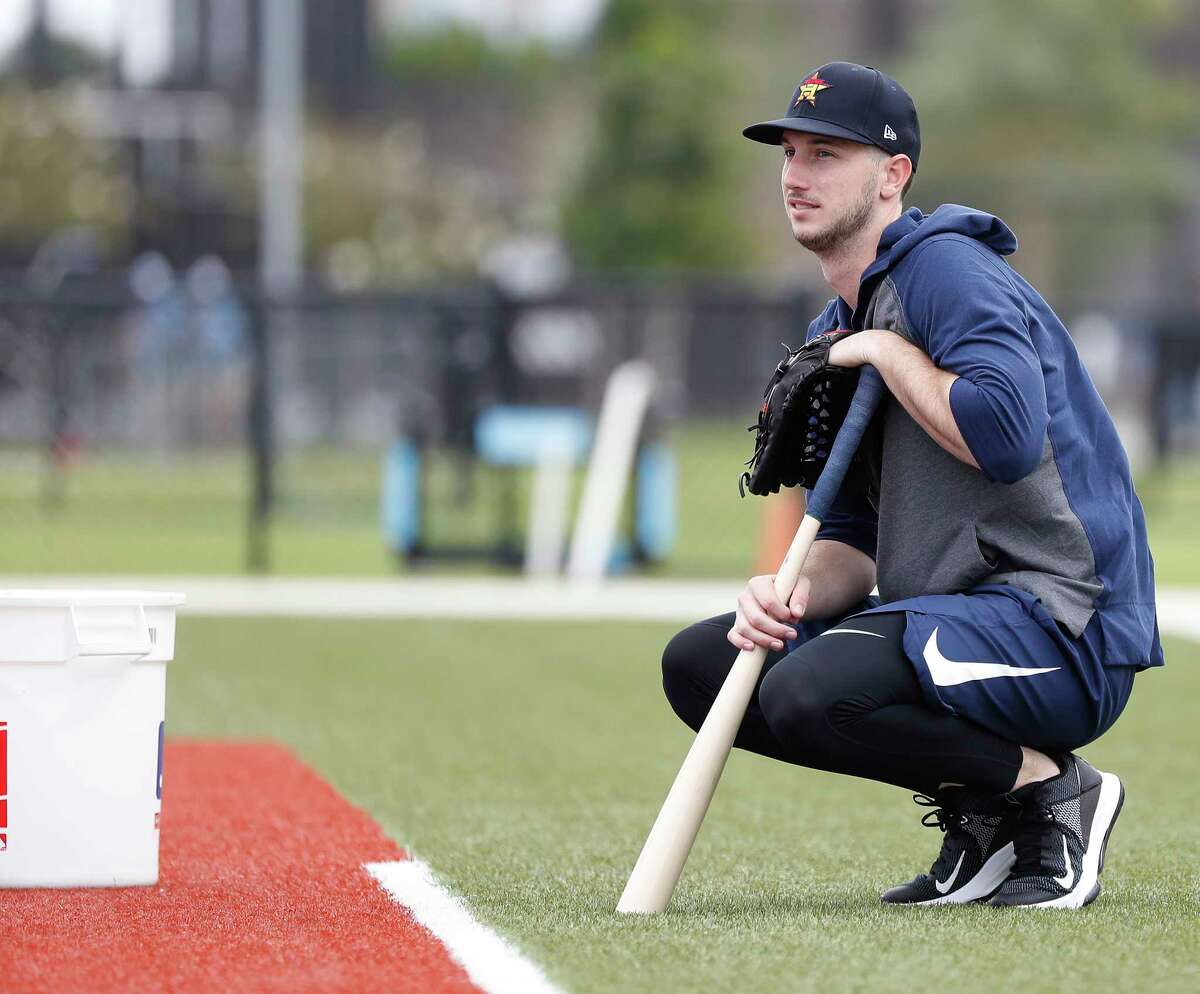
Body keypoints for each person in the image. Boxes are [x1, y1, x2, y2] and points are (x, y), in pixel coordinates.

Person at [661, 61, 1163, 908]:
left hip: (1064, 627)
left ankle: (1053, 793)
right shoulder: (838, 323)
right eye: (789, 153)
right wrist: (785, 594)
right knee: (707, 665)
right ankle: (989, 815)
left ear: (892, 175)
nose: (795, 176)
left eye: (826, 154)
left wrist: (891, 356)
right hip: (954, 624)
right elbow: (854, 541)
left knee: (812, 689)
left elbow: (1004, 439)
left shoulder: (946, 272)